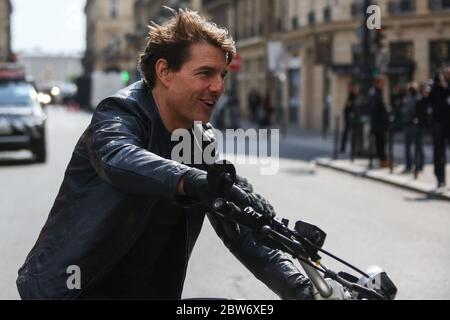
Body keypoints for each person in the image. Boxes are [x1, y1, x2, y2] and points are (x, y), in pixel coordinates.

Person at [16, 9, 314, 300]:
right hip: (73, 289)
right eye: (205, 73)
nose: (219, 86)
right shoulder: (120, 112)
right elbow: (119, 157)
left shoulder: (199, 139)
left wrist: (299, 287)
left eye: (223, 75)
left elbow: (238, 231)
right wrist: (193, 179)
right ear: (164, 72)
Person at [428, 69, 450, 188]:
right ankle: (440, 179)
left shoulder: (447, 87)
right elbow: (426, 100)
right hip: (437, 125)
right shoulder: (434, 88)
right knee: (439, 154)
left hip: (448, 124)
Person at [402, 82, 423, 173]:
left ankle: (413, 165)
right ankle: (415, 165)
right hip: (411, 125)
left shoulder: (410, 99)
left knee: (416, 147)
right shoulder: (415, 99)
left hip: (413, 125)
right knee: (416, 147)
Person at [368, 78, 390, 168]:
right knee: (380, 143)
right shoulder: (376, 94)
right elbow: (376, 109)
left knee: (380, 143)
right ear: (377, 83)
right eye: (381, 83)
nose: (383, 85)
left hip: (377, 123)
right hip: (378, 124)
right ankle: (382, 160)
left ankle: (382, 160)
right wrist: (384, 113)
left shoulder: (375, 93)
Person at [340, 83, 356, 154]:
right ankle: (343, 148)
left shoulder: (353, 95)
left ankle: (351, 149)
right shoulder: (350, 95)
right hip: (348, 116)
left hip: (351, 116)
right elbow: (346, 105)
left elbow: (348, 105)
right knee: (346, 133)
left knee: (351, 133)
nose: (349, 88)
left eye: (350, 87)